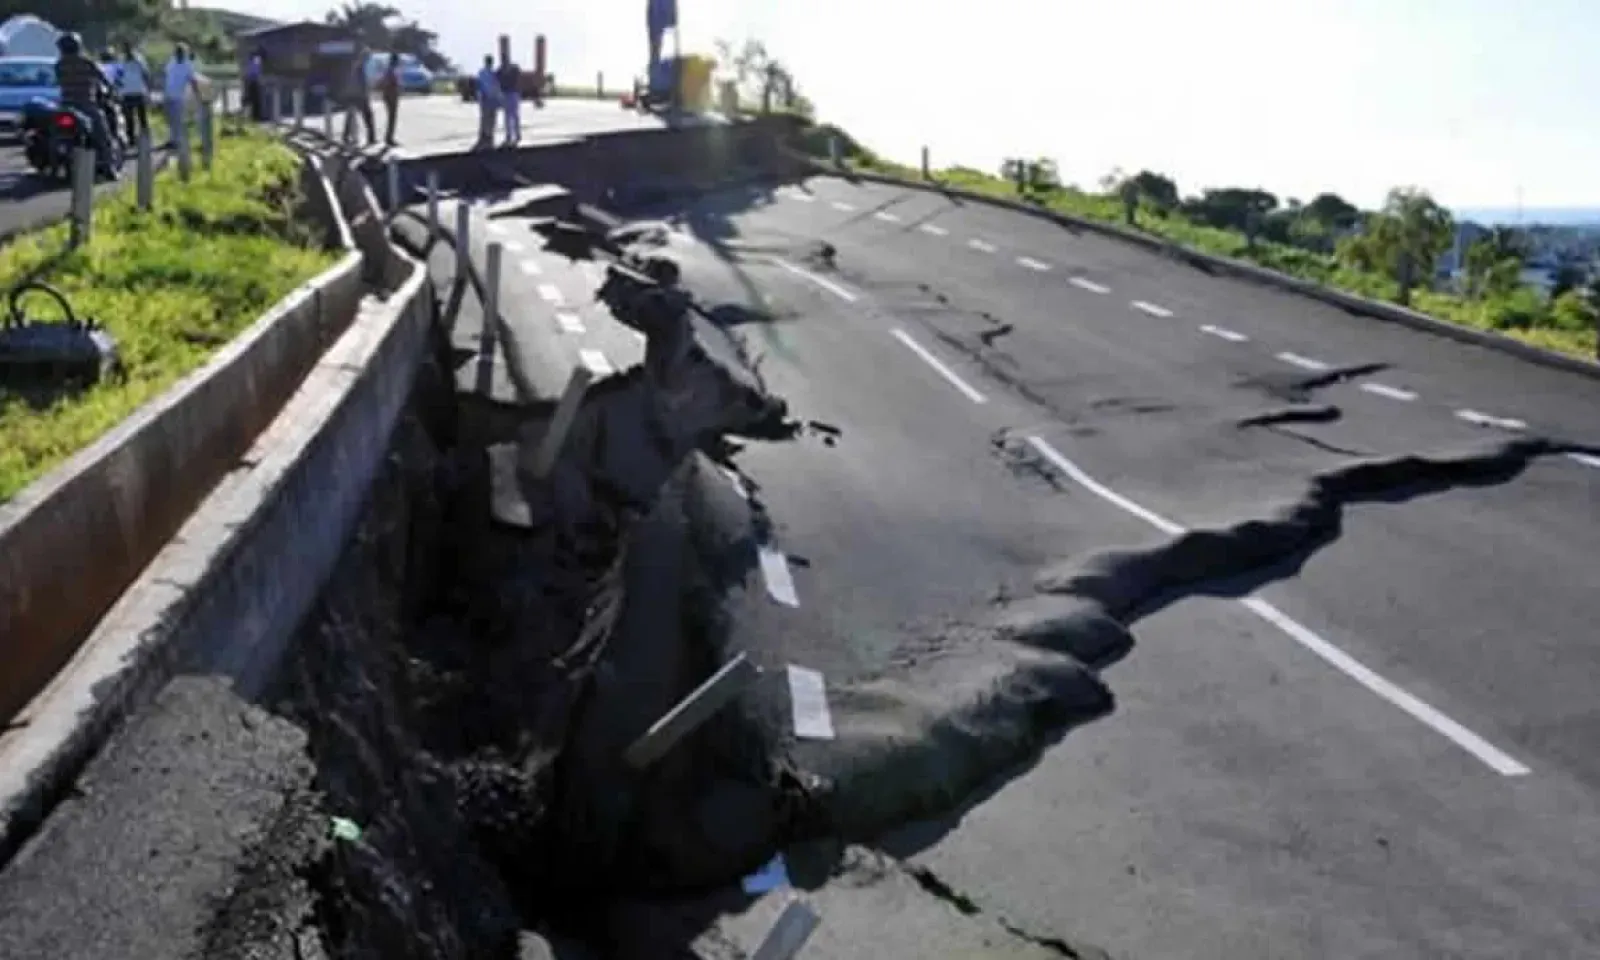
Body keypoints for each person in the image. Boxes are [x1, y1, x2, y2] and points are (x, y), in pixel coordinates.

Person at [54, 32, 116, 172]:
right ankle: (108, 165)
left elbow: (59, 82)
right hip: (86, 104)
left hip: (66, 105)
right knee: (103, 134)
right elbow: (103, 79)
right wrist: (111, 89)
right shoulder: (86, 63)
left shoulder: (59, 65)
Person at [162, 44, 202, 149]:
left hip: (178, 95)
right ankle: (171, 139)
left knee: (177, 119)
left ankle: (178, 141)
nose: (178, 54)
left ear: (184, 53)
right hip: (168, 94)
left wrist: (197, 93)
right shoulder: (172, 62)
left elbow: (192, 80)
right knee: (169, 118)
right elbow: (166, 75)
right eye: (177, 52)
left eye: (181, 52)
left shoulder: (187, 65)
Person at [117, 42, 152, 143]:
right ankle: (145, 138)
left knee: (129, 118)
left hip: (127, 92)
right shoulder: (139, 59)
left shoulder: (121, 61)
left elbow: (118, 77)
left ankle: (132, 140)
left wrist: (118, 89)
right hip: (138, 91)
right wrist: (148, 89)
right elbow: (145, 74)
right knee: (141, 117)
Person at [341, 46, 376, 146]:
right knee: (368, 116)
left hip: (351, 94)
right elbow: (362, 83)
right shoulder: (360, 67)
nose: (368, 58)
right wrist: (366, 93)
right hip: (359, 95)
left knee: (350, 116)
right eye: (368, 56)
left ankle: (345, 136)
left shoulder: (354, 64)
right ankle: (371, 138)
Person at [473, 54, 500, 150]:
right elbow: (480, 85)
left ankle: (488, 137)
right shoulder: (487, 73)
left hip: (489, 98)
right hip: (487, 97)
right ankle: (486, 137)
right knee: (487, 118)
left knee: (489, 118)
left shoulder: (488, 73)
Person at [496, 52, 522, 146]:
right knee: (512, 116)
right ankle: (514, 135)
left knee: (510, 116)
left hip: (509, 94)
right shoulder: (514, 68)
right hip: (511, 94)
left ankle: (511, 135)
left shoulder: (501, 70)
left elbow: (498, 82)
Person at [378, 52, 400, 146]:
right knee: (392, 118)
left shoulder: (389, 70)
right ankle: (389, 138)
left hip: (389, 95)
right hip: (390, 96)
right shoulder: (391, 70)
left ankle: (389, 137)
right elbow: (387, 83)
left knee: (392, 118)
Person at [243, 48, 265, 122]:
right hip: (253, 82)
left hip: (249, 81)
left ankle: (251, 116)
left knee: (251, 100)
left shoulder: (250, 62)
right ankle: (255, 117)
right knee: (255, 100)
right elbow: (256, 73)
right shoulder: (256, 61)